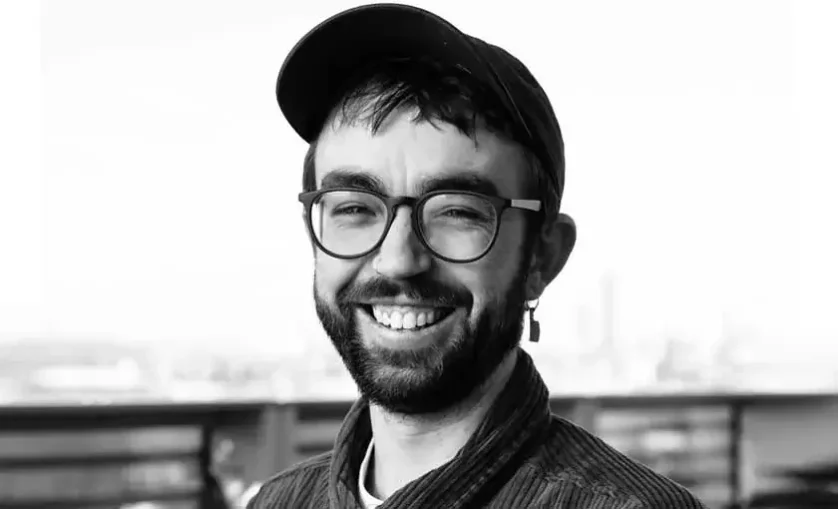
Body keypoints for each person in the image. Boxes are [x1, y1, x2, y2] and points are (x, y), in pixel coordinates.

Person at [249, 4, 707, 508]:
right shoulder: (279, 501)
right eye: (356, 208)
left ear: (540, 258)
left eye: (457, 213)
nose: (398, 259)